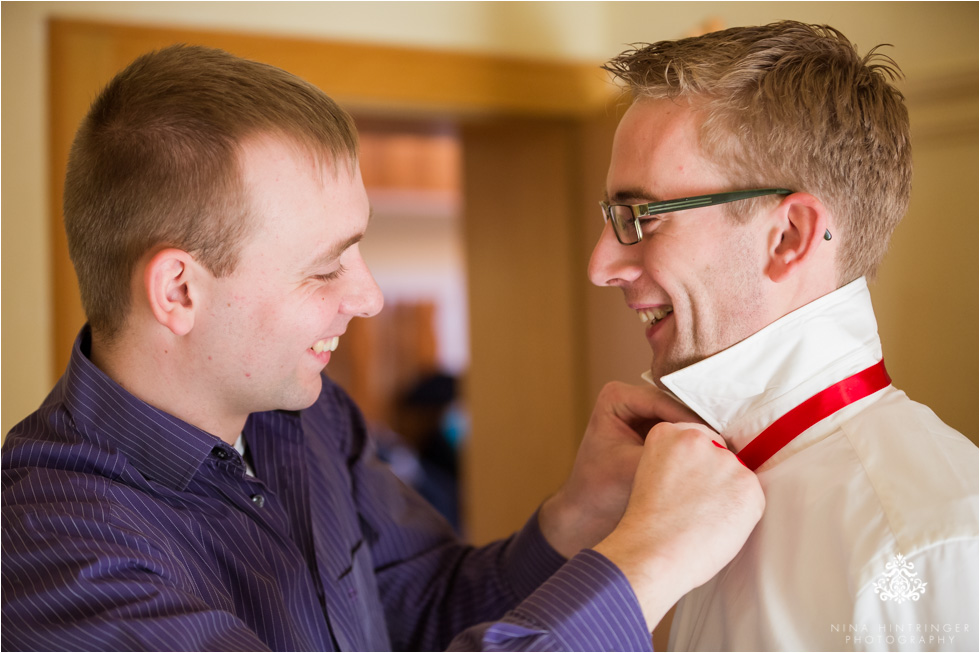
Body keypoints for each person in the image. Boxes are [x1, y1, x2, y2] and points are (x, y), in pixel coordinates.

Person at [1, 44, 764, 651]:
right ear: (178, 292)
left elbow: (427, 606)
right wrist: (644, 565)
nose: (367, 298)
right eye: (325, 267)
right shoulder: (53, 551)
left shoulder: (303, 417)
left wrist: (575, 516)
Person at [589, 21, 979, 652]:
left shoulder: (935, 546)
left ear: (790, 237)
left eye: (641, 216)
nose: (600, 265)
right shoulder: (681, 492)